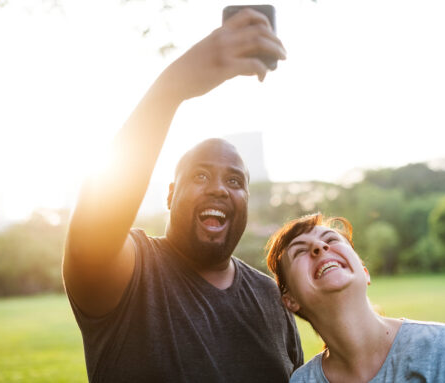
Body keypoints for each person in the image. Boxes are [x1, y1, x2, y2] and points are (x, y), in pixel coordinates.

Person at [63, 8, 302, 383]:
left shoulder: (271, 296)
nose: (220, 189)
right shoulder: (132, 272)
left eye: (235, 182)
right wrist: (172, 88)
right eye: (201, 176)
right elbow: (92, 227)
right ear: (170, 195)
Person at [266, 214, 445, 383]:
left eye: (331, 240)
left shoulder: (438, 347)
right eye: (299, 251)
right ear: (291, 299)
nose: (319, 246)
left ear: (364, 272)